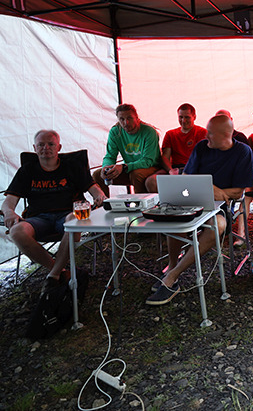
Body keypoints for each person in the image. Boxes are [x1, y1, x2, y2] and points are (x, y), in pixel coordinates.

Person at [146, 114, 253, 305]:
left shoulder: (243, 152)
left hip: (220, 207)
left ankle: (172, 276)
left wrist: (213, 191)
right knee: (174, 215)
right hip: (193, 200)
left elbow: (238, 192)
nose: (206, 137)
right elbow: (187, 177)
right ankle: (173, 267)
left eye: (210, 134)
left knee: (218, 225)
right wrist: (214, 190)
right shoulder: (202, 147)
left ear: (226, 135)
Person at [2, 130, 106, 294]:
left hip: (68, 214)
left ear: (59, 147)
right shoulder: (27, 171)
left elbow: (94, 189)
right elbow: (8, 202)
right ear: (35, 148)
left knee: (74, 219)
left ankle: (53, 276)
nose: (46, 148)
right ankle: (60, 272)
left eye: (51, 144)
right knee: (16, 231)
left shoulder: (72, 166)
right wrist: (9, 213)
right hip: (38, 218)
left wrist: (99, 196)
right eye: (41, 145)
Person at [93, 103, 161, 196]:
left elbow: (148, 161)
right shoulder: (115, 132)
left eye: (129, 118)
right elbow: (110, 155)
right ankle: (104, 204)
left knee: (136, 174)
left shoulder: (149, 132)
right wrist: (106, 167)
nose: (126, 123)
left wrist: (124, 167)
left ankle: (141, 205)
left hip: (151, 168)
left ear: (137, 117)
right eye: (122, 119)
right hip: (129, 168)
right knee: (98, 174)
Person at [145, 103, 207, 192]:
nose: (183, 120)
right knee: (151, 181)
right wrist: (170, 170)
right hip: (176, 169)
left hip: (194, 169)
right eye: (181, 117)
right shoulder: (171, 134)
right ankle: (161, 205)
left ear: (194, 117)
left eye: (187, 117)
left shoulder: (202, 132)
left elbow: (204, 157)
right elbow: (165, 156)